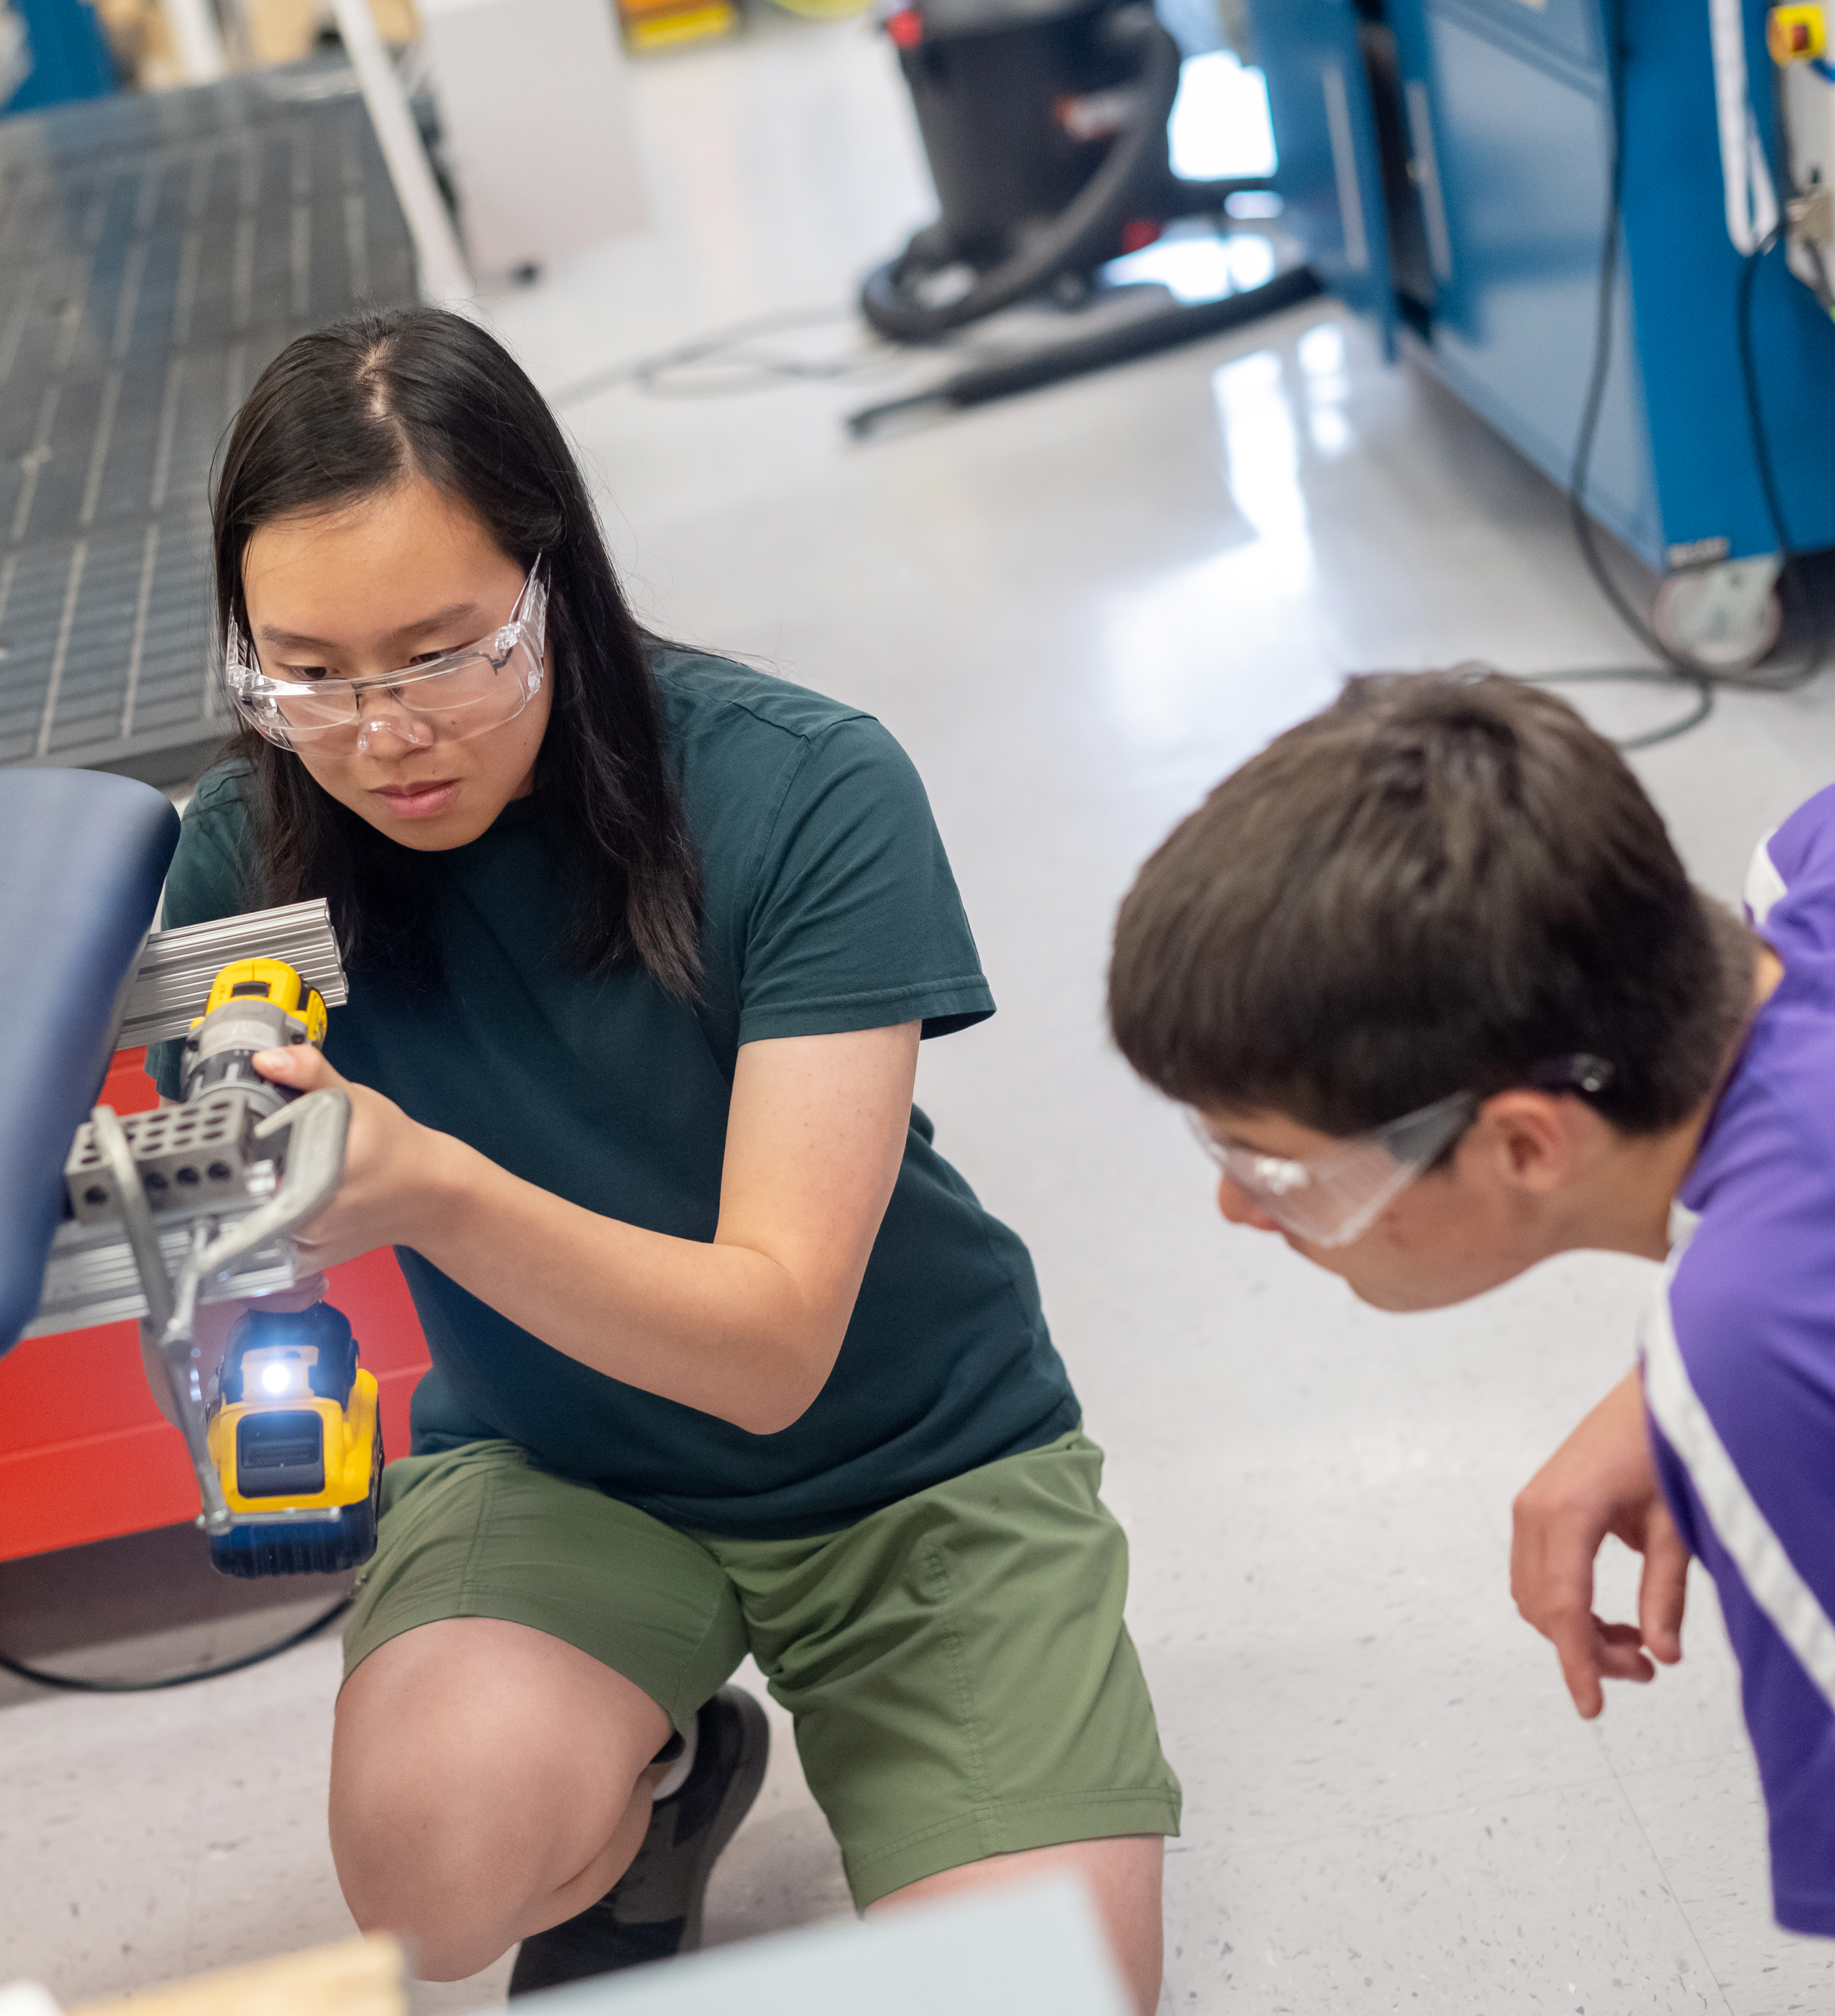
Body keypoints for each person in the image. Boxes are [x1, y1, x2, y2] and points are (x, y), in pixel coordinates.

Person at [151, 305, 1180, 2000]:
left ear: (559, 585)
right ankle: (670, 1776)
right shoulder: (238, 858)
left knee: (1033, 1993)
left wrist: (433, 1191)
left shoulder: (806, 790)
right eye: (306, 675)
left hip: (915, 1463)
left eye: (442, 653)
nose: (381, 735)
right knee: (432, 1881)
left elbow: (774, 1348)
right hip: (566, 1463)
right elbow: (209, 1191)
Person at [1105, 669, 1835, 2015]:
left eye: (1285, 1175)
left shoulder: (1782, 1364)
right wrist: (1667, 1392)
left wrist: (1733, 1384)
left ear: (1526, 1141)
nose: (1237, 1207)